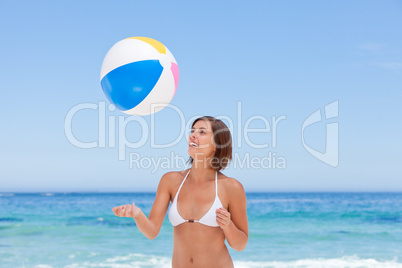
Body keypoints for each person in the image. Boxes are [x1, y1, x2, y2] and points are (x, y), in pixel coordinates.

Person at [112, 116, 248, 267]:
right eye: (192, 131)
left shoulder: (231, 187)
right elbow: (151, 232)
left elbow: (240, 245)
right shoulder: (170, 181)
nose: (193, 135)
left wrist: (228, 225)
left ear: (217, 144)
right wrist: (137, 215)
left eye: (202, 132)